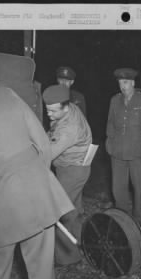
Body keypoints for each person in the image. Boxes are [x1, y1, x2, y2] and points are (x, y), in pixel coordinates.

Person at [0, 62, 75, 279]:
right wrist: (33, 180)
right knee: (43, 278)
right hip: (37, 194)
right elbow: (42, 145)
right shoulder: (6, 94)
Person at [42, 84, 92, 266]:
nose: (49, 115)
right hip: (75, 167)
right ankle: (79, 248)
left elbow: (47, 155)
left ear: (65, 106)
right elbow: (52, 131)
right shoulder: (70, 109)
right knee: (72, 211)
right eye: (47, 110)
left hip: (73, 171)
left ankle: (65, 258)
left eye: (53, 111)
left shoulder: (70, 129)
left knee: (58, 211)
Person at [106, 68, 141, 225]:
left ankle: (140, 218)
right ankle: (121, 217)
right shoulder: (114, 100)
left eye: (125, 83)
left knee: (138, 186)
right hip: (117, 150)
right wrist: (109, 142)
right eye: (119, 83)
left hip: (137, 149)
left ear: (132, 83)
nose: (122, 86)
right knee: (118, 187)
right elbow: (110, 122)